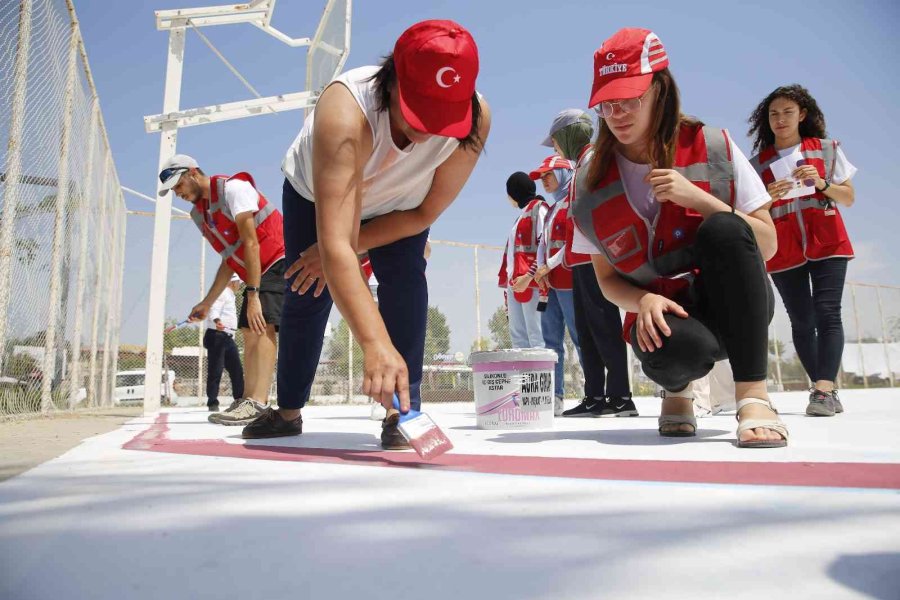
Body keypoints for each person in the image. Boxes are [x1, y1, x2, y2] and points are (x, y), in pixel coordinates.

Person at [242, 20, 491, 448]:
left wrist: (338, 249)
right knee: (307, 289)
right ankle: (288, 410)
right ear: (391, 81)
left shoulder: (477, 119)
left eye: (441, 119)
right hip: (315, 194)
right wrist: (372, 341)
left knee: (406, 279)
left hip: (403, 204)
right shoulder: (345, 108)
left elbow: (425, 212)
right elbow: (337, 243)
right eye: (418, 113)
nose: (427, 132)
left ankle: (402, 412)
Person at [570, 28, 788, 448]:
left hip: (737, 306)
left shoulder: (714, 145)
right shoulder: (589, 178)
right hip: (669, 317)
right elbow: (606, 280)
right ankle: (677, 390)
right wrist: (643, 300)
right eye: (606, 104)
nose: (618, 114)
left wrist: (700, 200)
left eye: (630, 99)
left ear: (660, 90)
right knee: (665, 345)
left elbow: (767, 243)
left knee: (725, 227)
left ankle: (754, 397)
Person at [748, 84, 856, 417]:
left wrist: (822, 183)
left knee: (828, 312)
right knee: (801, 319)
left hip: (828, 242)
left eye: (787, 112)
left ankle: (823, 389)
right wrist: (768, 197)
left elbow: (849, 197)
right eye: (773, 114)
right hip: (783, 248)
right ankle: (822, 388)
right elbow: (750, 211)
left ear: (802, 115)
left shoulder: (827, 150)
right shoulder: (756, 165)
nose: (780, 119)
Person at [157, 154, 285, 426]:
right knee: (249, 330)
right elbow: (230, 258)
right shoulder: (200, 214)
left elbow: (251, 243)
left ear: (193, 173)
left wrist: (252, 294)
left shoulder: (233, 190)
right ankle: (248, 400)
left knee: (262, 325)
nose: (178, 194)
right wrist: (207, 302)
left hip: (278, 259)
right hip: (257, 270)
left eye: (178, 185)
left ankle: (258, 403)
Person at [541, 109, 636, 418]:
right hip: (579, 261)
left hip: (596, 259)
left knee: (604, 326)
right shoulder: (582, 163)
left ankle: (620, 396)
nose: (556, 148)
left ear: (568, 136)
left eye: (556, 142)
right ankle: (595, 395)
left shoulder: (595, 160)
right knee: (586, 330)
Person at [515, 156, 582, 416]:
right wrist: (540, 270)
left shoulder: (573, 205)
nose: (543, 181)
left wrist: (549, 265)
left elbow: (572, 241)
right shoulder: (553, 209)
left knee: (579, 338)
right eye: (541, 177)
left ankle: (594, 393)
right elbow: (543, 244)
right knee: (550, 342)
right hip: (550, 286)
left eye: (548, 175)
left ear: (564, 175)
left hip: (569, 282)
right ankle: (555, 396)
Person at [499, 172, 547, 349]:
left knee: (537, 335)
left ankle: (542, 369)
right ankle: (523, 369)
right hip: (516, 282)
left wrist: (528, 276)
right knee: (518, 338)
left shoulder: (539, 209)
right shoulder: (521, 216)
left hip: (532, 281)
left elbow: (545, 245)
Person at [202, 275, 244, 412]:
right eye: (238, 282)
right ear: (233, 282)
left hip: (227, 337)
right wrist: (217, 321)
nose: (239, 285)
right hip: (217, 336)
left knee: (236, 370)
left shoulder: (231, 295)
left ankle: (239, 399)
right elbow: (214, 308)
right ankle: (212, 402)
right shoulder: (223, 292)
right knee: (216, 370)